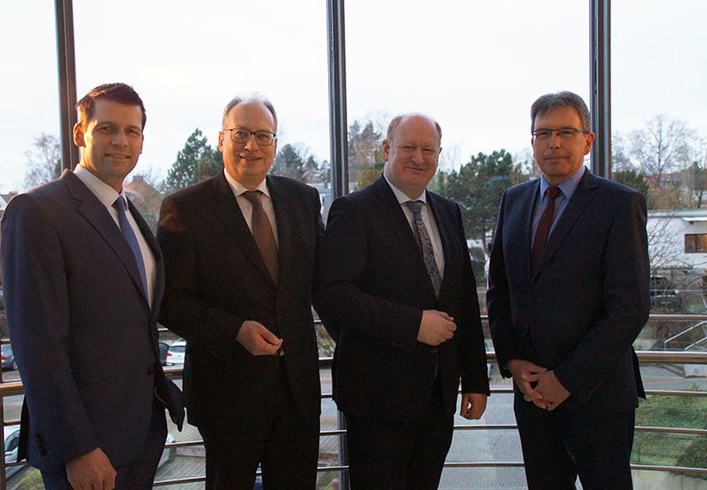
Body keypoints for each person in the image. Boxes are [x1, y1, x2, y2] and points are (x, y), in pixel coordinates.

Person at [0, 82, 184, 489]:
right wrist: (76, 450)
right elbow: (37, 347)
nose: (121, 141)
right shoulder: (36, 211)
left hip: (141, 436)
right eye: (107, 128)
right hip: (87, 451)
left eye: (132, 131)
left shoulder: (130, 214)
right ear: (80, 133)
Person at [156, 95, 324, 489]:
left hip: (296, 392)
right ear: (221, 139)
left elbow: (323, 282)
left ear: (275, 144)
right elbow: (169, 302)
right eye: (241, 134)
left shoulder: (303, 200)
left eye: (263, 135)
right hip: (227, 396)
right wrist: (234, 330)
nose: (252, 145)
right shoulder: (185, 208)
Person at [316, 113, 490, 489]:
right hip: (376, 397)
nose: (419, 157)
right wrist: (414, 325)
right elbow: (335, 294)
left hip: (438, 396)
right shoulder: (353, 210)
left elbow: (463, 301)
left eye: (428, 149)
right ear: (386, 150)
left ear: (439, 154)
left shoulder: (449, 212)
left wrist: (476, 379)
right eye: (408, 147)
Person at [487, 91, 650, 489]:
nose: (553, 143)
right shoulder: (514, 200)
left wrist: (566, 379)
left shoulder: (619, 204)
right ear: (532, 143)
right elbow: (499, 290)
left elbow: (629, 308)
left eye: (565, 132)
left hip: (598, 396)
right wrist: (512, 361)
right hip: (532, 395)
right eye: (543, 134)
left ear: (588, 140)